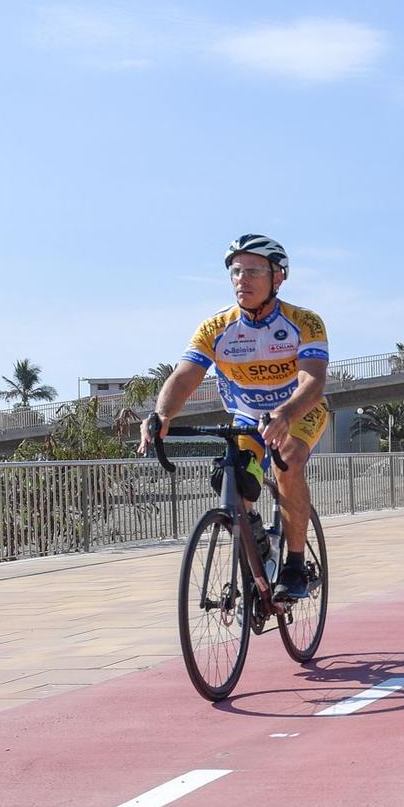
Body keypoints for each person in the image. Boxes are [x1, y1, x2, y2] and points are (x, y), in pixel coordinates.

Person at [140, 234, 330, 599]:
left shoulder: (304, 321)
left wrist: (285, 413)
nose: (243, 279)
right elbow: (185, 375)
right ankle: (259, 545)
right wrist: (162, 413)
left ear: (278, 278)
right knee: (232, 484)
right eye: (236, 271)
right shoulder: (216, 328)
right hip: (246, 416)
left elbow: (313, 381)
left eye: (254, 271)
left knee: (287, 459)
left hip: (298, 409)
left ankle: (294, 566)